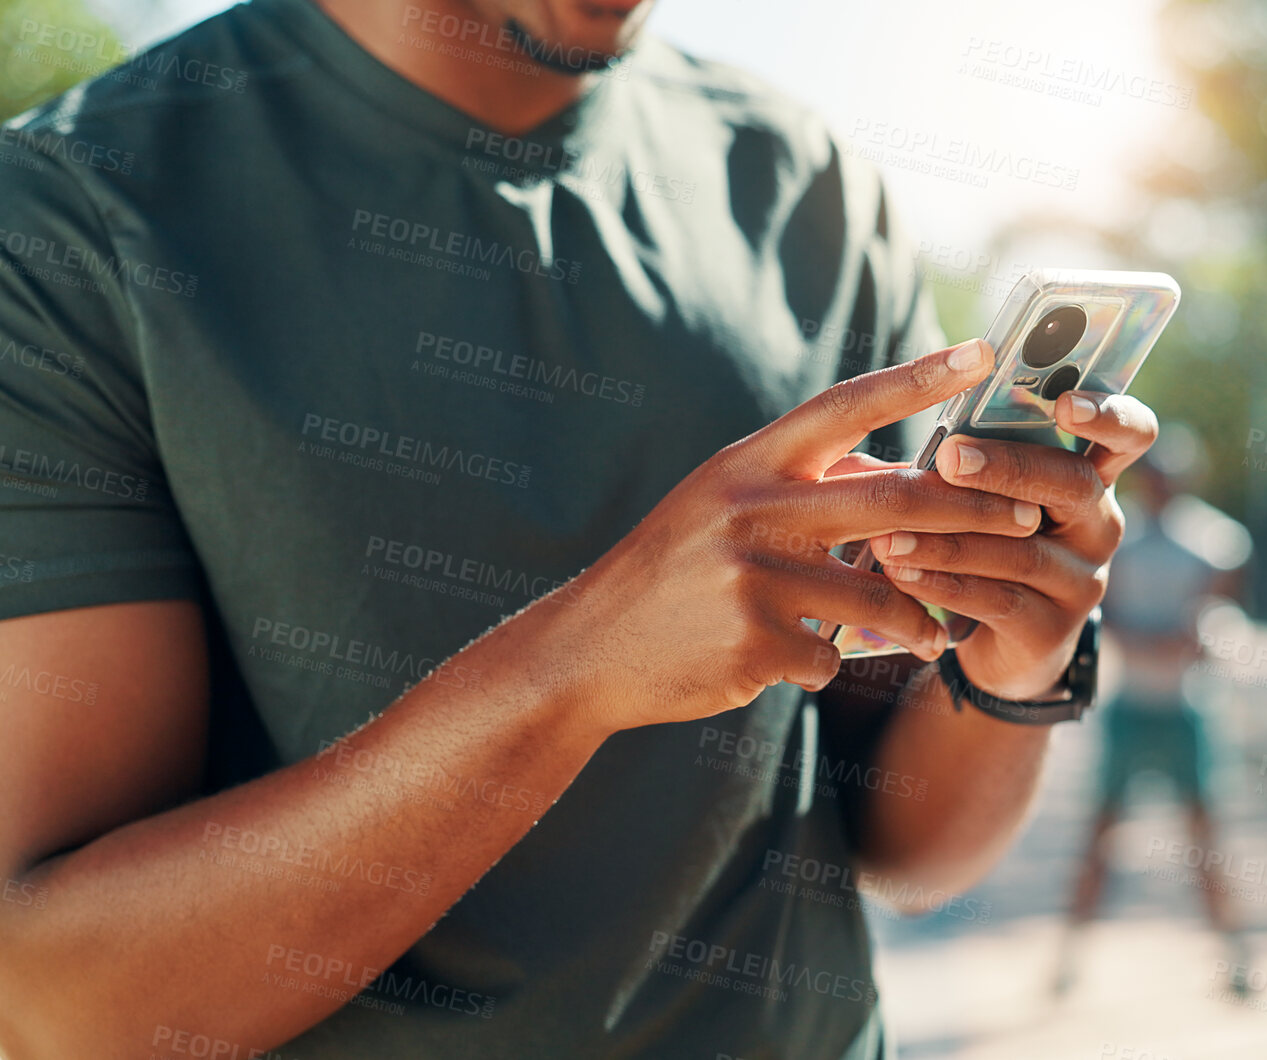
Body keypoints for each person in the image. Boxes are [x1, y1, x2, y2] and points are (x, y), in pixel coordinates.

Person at [0, 2, 1160, 1056]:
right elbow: (61, 1002)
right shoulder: (73, 213)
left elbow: (903, 851)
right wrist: (577, 669)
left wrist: (1018, 663)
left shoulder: (805, 184)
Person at [1053, 424, 1253, 997]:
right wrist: (1156, 642)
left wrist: (1173, 641)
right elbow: (1107, 612)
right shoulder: (1122, 535)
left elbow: (1215, 616)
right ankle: (1068, 959)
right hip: (1134, 704)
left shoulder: (1217, 539)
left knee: (1205, 837)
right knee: (1101, 835)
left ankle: (1236, 960)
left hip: (1188, 706)